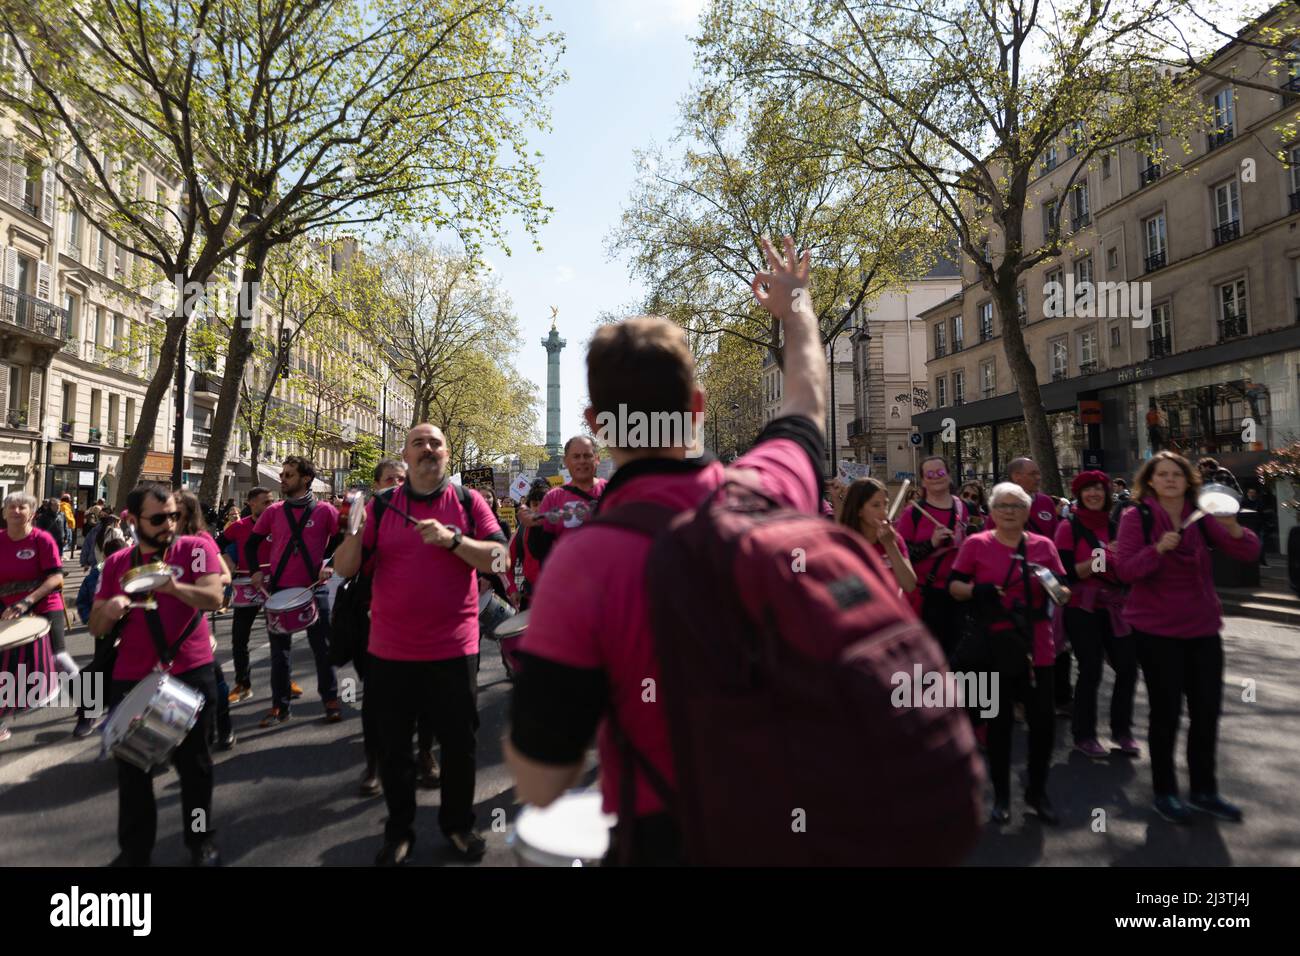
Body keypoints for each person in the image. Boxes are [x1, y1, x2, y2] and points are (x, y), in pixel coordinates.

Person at [505, 238, 831, 864]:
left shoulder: (586, 564)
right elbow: (806, 403)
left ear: (597, 424)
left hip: (664, 833)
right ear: (698, 409)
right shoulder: (768, 490)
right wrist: (798, 310)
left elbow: (543, 780)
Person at [333, 424, 508, 864]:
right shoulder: (382, 505)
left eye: (436, 443)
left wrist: (455, 541)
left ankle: (457, 826)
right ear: (405, 456)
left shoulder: (470, 502)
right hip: (391, 649)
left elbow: (502, 557)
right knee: (395, 747)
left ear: (447, 454)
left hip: (455, 646)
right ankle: (399, 831)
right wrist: (354, 529)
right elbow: (344, 569)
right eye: (419, 443)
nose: (428, 449)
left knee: (459, 744)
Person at [1115, 451, 1260, 824]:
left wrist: (1231, 528)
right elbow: (1126, 570)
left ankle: (1204, 791)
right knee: (1166, 713)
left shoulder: (1201, 516)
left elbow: (1247, 552)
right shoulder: (1138, 517)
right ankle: (1165, 792)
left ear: (1188, 480)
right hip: (1156, 630)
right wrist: (1157, 550)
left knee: (1206, 711)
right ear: (1150, 481)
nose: (1169, 479)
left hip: (1202, 627)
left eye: (1176, 474)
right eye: (1161, 474)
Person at [88, 483, 224, 866]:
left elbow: (214, 597)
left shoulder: (195, 549)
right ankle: (135, 852)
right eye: (159, 518)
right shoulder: (117, 564)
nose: (169, 524)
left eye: (174, 516)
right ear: (134, 520)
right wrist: (110, 609)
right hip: (132, 677)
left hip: (190, 672)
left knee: (195, 770)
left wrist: (173, 586)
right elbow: (97, 626)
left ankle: (199, 839)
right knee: (132, 774)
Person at [950, 481, 1070, 825]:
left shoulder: (1045, 546)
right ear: (991, 510)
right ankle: (1001, 796)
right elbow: (954, 588)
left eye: (1016, 506)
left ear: (1028, 511)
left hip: (1038, 648)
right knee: (999, 727)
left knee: (1042, 727)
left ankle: (1037, 792)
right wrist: (978, 590)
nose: (1008, 512)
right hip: (994, 649)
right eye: (1002, 505)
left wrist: (1059, 590)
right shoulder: (976, 544)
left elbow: (1063, 590)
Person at [246, 458, 342, 726]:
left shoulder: (325, 511)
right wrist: (254, 571)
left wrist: (331, 565)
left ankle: (331, 699)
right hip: (279, 588)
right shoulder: (273, 511)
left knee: (322, 649)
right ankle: (280, 705)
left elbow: (343, 539)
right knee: (280, 654)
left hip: (314, 589)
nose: (283, 478)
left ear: (306, 479)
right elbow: (251, 545)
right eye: (282, 474)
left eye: (289, 474)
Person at [1054, 471, 1138, 760]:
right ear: (1079, 494)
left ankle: (1122, 730)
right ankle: (1084, 735)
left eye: (1098, 489)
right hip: (1081, 607)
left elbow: (1127, 571)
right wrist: (1100, 558)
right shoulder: (1068, 527)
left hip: (1115, 607)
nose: (1094, 494)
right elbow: (1065, 573)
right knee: (1091, 669)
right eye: (1087, 490)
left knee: (1128, 667)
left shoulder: (1117, 527)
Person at [0, 492, 69, 744]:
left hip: (43, 603)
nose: (16, 511)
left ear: (32, 513)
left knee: (59, 657)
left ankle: (87, 706)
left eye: (22, 507)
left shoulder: (42, 540)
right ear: (4, 512)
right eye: (12, 507)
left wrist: (28, 601)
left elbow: (56, 578)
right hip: (8, 608)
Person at [1007, 456, 1071, 715]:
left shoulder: (1045, 502)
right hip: (1015, 585)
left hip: (1046, 582)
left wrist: (1060, 577)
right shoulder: (1003, 502)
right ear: (1016, 477)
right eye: (1032, 473)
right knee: (1019, 643)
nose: (1038, 476)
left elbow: (1054, 540)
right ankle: (1018, 698)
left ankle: (1059, 697)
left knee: (1057, 641)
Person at [895, 455, 968, 659]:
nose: (936, 477)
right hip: (928, 596)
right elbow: (902, 555)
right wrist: (932, 543)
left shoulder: (964, 509)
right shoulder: (913, 513)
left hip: (961, 593)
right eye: (930, 474)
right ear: (923, 480)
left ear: (949, 476)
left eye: (941, 472)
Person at [178, 491, 236, 751]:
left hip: (194, 620)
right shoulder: (162, 541)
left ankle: (223, 726)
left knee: (213, 679)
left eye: (175, 512)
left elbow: (225, 576)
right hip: (164, 623)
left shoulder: (201, 541)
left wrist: (201, 585)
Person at [218, 487, 277, 703]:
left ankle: (284, 680)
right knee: (239, 638)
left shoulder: (278, 524)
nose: (270, 505)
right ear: (251, 503)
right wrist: (228, 562)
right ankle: (243, 684)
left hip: (273, 585)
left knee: (279, 637)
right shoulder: (239, 527)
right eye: (265, 502)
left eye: (271, 501)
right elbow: (219, 544)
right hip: (246, 585)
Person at [518, 436, 606, 564]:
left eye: (587, 456)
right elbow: (539, 551)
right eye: (576, 456)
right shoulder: (553, 497)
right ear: (565, 461)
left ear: (597, 459)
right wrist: (534, 525)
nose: (582, 461)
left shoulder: (613, 492)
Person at [838, 477, 916, 594]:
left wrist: (890, 545)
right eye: (876, 505)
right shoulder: (842, 544)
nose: (884, 511)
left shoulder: (893, 539)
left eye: (886, 504)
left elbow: (909, 585)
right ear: (859, 510)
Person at [506, 480, 550, 611]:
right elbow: (503, 565)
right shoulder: (521, 532)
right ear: (529, 507)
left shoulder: (565, 529)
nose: (540, 508)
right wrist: (512, 590)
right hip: (530, 601)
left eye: (545, 503)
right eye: (535, 504)